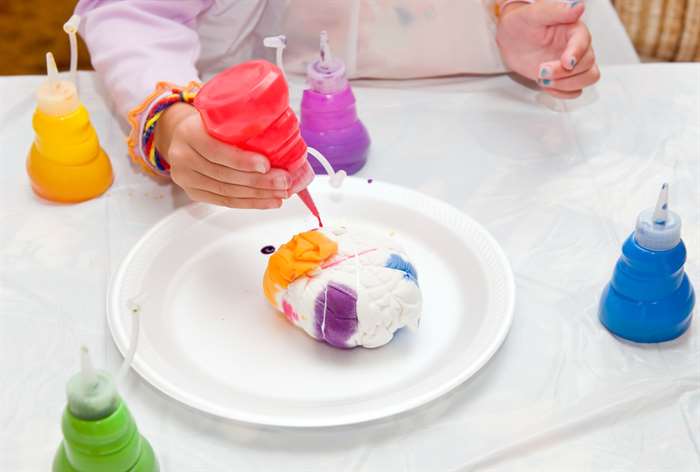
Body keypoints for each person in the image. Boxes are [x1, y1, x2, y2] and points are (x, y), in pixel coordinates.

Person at [76, 0, 599, 209]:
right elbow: (134, 12)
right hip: (266, 129)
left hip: (491, 118)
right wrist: (171, 121)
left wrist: (519, 21)